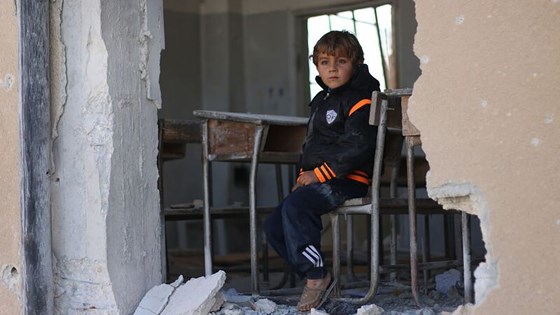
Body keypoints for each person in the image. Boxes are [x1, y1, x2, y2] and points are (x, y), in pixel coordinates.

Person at [264, 30, 381, 312]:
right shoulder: (322, 100)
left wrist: (319, 176)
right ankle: (317, 274)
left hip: (346, 180)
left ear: (357, 63)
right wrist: (303, 179)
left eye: (341, 61)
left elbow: (358, 146)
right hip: (323, 179)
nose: (332, 68)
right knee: (274, 226)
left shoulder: (361, 99)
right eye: (325, 62)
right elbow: (313, 147)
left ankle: (315, 279)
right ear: (316, 65)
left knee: (296, 209)